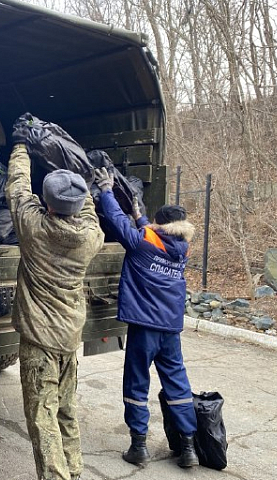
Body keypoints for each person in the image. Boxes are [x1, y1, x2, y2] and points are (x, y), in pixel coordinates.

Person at [6, 127, 104, 480]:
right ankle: (74, 471)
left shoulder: (34, 228)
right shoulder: (90, 238)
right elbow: (89, 210)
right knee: (65, 410)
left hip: (39, 343)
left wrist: (21, 146)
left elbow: (17, 188)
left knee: (41, 419)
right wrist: (82, 176)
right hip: (68, 340)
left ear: (47, 203)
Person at [94, 167, 199, 468]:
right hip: (170, 329)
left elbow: (116, 222)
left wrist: (105, 191)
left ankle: (138, 445)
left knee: (137, 382)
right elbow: (152, 236)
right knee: (177, 383)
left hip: (144, 328)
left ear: (159, 225)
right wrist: (139, 215)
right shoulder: (182, 248)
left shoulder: (141, 244)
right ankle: (188, 447)